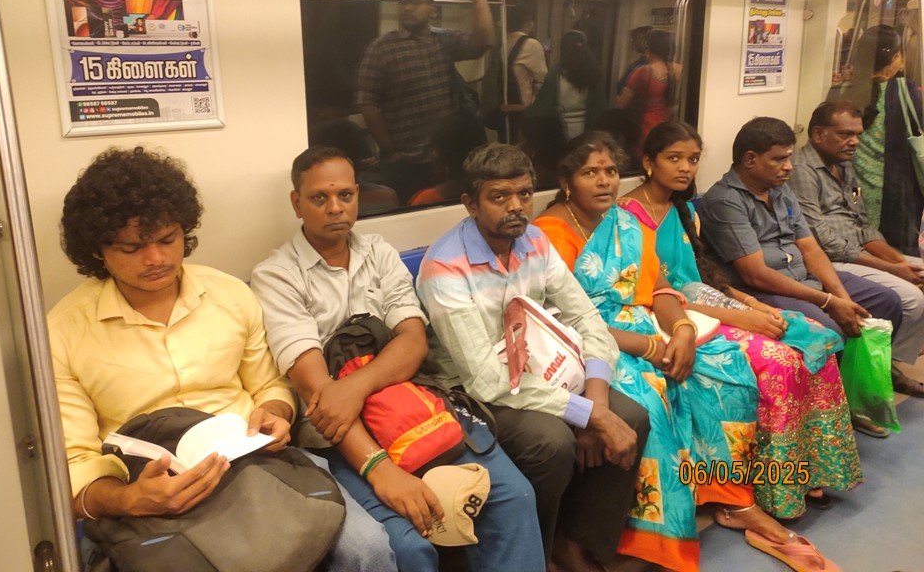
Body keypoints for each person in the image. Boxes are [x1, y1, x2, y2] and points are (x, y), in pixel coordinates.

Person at [48, 147, 395, 571]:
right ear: (98, 250)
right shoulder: (63, 331)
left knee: (366, 549)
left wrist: (275, 415)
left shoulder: (229, 295)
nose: (156, 259)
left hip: (256, 467)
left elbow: (269, 386)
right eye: (131, 247)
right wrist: (130, 499)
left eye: (167, 240)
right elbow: (75, 461)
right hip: (148, 489)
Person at [534, 132, 836, 572]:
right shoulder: (550, 235)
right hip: (590, 344)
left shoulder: (624, 222)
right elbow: (563, 321)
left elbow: (659, 287)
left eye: (611, 171)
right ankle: (655, 531)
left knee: (726, 375)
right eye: (589, 173)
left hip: (647, 326)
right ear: (566, 182)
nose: (604, 181)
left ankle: (730, 499)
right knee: (652, 399)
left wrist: (680, 330)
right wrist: (651, 346)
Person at [250, 146, 544, 572]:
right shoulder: (276, 275)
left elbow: (413, 342)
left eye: (345, 195)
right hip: (340, 434)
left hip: (414, 405)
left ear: (358, 195)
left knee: (514, 497)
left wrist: (354, 387)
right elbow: (319, 393)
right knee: (405, 547)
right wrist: (379, 468)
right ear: (297, 203)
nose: (335, 208)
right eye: (319, 198)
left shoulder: (378, 252)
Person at [417, 143, 650, 572]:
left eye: (524, 194)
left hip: (543, 370)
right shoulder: (445, 268)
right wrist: (589, 415)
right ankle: (535, 554)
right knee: (551, 442)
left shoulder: (535, 242)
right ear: (470, 203)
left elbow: (587, 319)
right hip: (472, 393)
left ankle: (578, 543)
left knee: (632, 416)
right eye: (499, 196)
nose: (516, 206)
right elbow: (485, 380)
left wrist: (596, 404)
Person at [619, 121, 862, 521]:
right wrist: (740, 317)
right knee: (780, 362)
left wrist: (751, 305)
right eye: (674, 158)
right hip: (663, 315)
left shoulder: (683, 209)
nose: (685, 168)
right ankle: (771, 486)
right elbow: (657, 294)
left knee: (815, 340)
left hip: (702, 301)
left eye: (693, 159)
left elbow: (701, 276)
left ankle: (812, 466)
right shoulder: (626, 217)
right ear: (649, 162)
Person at [700, 117, 904, 436]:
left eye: (790, 157)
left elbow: (810, 248)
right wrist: (828, 301)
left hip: (804, 278)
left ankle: (857, 393)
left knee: (887, 302)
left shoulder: (780, 190)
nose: (789, 167)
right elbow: (756, 274)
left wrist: (842, 297)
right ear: (750, 160)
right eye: (779, 159)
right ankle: (836, 412)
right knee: (829, 329)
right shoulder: (725, 200)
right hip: (765, 290)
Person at [790, 100, 924, 395]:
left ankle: (886, 362)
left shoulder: (844, 165)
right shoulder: (802, 170)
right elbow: (824, 242)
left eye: (858, 135)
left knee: (919, 271)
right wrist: (893, 269)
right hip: (831, 259)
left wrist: (900, 262)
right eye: (845, 134)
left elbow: (863, 224)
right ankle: (887, 368)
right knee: (912, 298)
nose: (854, 142)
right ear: (818, 134)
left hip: (858, 251)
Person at [354, 0, 495, 200]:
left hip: (447, 157)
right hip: (407, 160)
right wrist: (390, 150)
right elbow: (367, 103)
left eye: (414, 2)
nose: (407, 8)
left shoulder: (443, 40)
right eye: (402, 2)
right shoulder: (381, 48)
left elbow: (485, 40)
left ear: (431, 8)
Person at [835, 24, 924, 255]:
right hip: (892, 188)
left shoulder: (844, 90)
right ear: (893, 59)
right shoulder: (905, 92)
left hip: (854, 187)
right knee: (887, 247)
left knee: (861, 236)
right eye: (900, 55)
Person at [527, 29, 607, 141]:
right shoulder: (594, 72)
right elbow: (600, 107)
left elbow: (543, 107)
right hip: (588, 133)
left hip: (559, 133)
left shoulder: (556, 72)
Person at [614, 28, 675, 160]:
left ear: (648, 48)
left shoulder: (643, 71)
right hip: (665, 124)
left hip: (643, 125)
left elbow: (621, 103)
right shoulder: (674, 70)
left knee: (644, 158)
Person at [492, 2, 547, 140]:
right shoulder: (532, 44)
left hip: (504, 110)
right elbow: (542, 80)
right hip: (523, 112)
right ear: (528, 23)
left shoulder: (503, 43)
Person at [614, 25, 652, 94]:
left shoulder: (638, 66)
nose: (632, 42)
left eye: (635, 39)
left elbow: (620, 88)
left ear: (643, 41)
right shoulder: (657, 64)